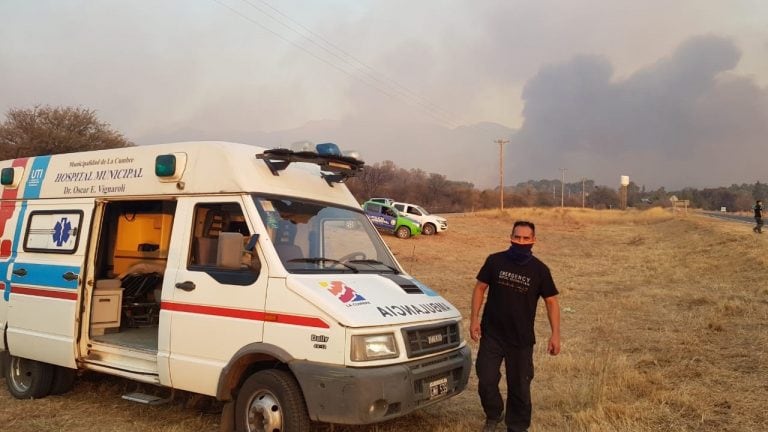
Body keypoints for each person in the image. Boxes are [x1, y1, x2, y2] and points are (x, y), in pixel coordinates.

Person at [470, 221, 561, 432]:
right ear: (510, 237)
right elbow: (480, 288)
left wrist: (555, 334)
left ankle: (517, 426)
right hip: (492, 334)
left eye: (526, 238)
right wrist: (474, 319)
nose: (521, 242)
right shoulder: (495, 261)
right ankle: (493, 414)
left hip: (521, 339)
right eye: (517, 237)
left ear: (533, 240)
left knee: (519, 386)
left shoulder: (540, 270)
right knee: (486, 379)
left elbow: (552, 302)